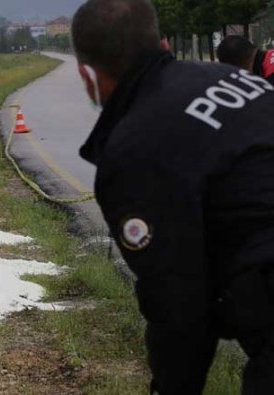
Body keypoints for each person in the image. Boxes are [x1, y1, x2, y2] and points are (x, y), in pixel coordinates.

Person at [71, 0, 274, 394]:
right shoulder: (240, 80)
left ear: (87, 74)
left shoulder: (132, 150)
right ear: (164, 46)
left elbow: (179, 305)